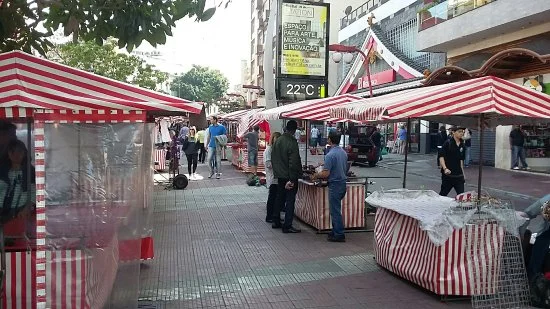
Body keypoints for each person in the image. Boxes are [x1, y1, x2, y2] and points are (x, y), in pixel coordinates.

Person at [312, 132, 348, 242]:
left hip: (335, 184)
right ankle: (335, 230)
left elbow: (326, 174)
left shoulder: (330, 155)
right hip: (342, 183)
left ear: (330, 140)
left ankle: (339, 234)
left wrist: (316, 175)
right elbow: (345, 168)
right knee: (336, 208)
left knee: (335, 210)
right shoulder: (343, 152)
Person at [271, 120, 302, 233]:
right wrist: (293, 178)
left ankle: (276, 220)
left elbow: (274, 158)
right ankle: (287, 224)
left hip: (280, 175)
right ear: (294, 130)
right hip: (289, 175)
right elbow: (293, 162)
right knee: (290, 200)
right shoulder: (291, 142)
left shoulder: (278, 141)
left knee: (279, 197)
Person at [0, 140, 36, 220]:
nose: (16, 154)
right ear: (8, 153)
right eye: (12, 151)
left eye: (19, 151)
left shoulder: (30, 171)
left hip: (20, 213)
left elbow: (35, 193)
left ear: (24, 153)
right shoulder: (2, 170)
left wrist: (27, 209)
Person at [518, 194, 550, 281]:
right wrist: (521, 233)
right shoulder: (545, 201)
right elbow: (527, 213)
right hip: (546, 233)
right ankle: (533, 277)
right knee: (540, 246)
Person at [438, 126, 466, 196]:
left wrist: (463, 174)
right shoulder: (447, 143)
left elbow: (461, 160)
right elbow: (441, 157)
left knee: (461, 196)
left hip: (458, 175)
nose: (461, 133)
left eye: (462, 132)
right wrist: (445, 168)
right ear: (453, 132)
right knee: (443, 194)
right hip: (448, 175)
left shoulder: (462, 144)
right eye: (459, 132)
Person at [264, 132, 281, 223]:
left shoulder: (275, 149)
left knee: (275, 198)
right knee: (272, 197)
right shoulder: (269, 150)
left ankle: (274, 215)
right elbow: (268, 164)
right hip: (272, 177)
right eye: (276, 139)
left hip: (276, 177)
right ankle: (269, 216)